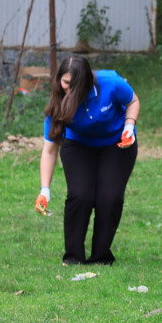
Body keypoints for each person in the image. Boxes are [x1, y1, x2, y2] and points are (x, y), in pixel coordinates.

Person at [34, 55, 140, 265]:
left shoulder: (111, 83)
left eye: (75, 85)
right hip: (78, 145)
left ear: (88, 82)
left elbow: (133, 101)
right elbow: (49, 150)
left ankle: (101, 257)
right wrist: (44, 190)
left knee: (109, 198)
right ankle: (73, 258)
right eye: (65, 82)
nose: (69, 89)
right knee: (80, 195)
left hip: (116, 143)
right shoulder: (58, 101)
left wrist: (129, 126)